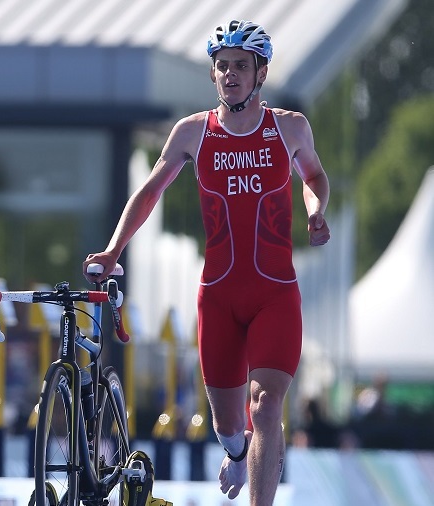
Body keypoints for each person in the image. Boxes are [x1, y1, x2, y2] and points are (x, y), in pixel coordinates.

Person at [83, 20, 330, 506]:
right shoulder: (193, 132)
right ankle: (238, 454)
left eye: (241, 66)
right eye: (222, 67)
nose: (231, 74)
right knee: (227, 424)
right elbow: (150, 191)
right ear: (213, 74)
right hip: (217, 296)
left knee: (265, 408)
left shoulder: (290, 126)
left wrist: (316, 210)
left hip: (275, 294)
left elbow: (314, 176)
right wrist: (113, 251)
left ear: (261, 73)